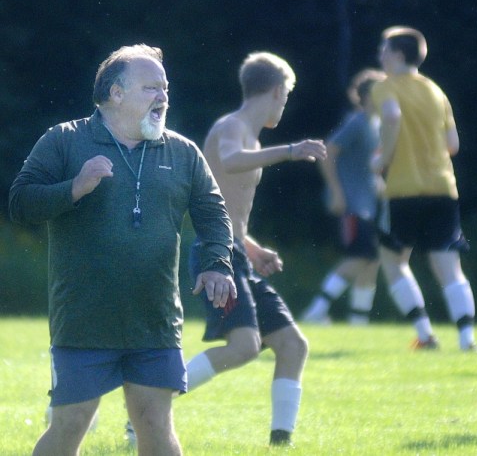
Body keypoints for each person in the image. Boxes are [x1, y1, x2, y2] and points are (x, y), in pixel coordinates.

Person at [9, 44, 237, 456]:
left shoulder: (182, 151)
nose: (163, 96)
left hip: (155, 319)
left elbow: (213, 213)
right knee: (71, 422)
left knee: (154, 421)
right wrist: (74, 188)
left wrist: (217, 263)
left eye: (165, 88)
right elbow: (21, 202)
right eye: (152, 88)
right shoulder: (64, 140)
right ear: (116, 93)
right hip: (83, 319)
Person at [181, 51, 325, 446]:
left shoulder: (251, 135)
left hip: (236, 251)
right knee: (244, 347)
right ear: (277, 90)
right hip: (217, 255)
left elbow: (226, 208)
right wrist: (291, 150)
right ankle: (149, 401)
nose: (285, 103)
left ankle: (280, 443)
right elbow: (230, 161)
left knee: (293, 345)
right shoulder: (231, 127)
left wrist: (253, 247)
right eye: (286, 96)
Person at [370, 26, 477, 352]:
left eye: (385, 49)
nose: (380, 55)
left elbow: (390, 116)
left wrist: (384, 158)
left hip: (403, 188)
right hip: (443, 187)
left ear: (398, 54)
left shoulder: (385, 88)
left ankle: (425, 334)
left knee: (393, 261)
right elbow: (453, 144)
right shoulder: (435, 90)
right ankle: (466, 339)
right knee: (448, 267)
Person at [302, 69, 387, 325]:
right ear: (368, 96)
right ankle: (316, 310)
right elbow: (328, 152)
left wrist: (379, 184)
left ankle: (358, 320)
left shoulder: (375, 125)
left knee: (372, 260)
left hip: (369, 204)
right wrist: (337, 192)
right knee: (361, 257)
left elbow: (366, 165)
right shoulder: (358, 122)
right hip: (352, 203)